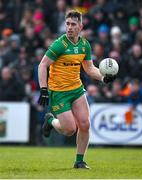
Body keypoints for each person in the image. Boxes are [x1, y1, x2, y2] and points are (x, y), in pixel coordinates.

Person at [38, 10, 115, 169]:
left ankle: (79, 161)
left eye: (73, 24)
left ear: (81, 26)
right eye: (67, 24)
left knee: (85, 124)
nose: (69, 27)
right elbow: (42, 65)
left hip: (77, 89)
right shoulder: (60, 44)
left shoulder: (84, 45)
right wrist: (43, 89)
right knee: (69, 130)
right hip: (59, 92)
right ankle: (51, 121)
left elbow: (89, 68)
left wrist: (103, 77)